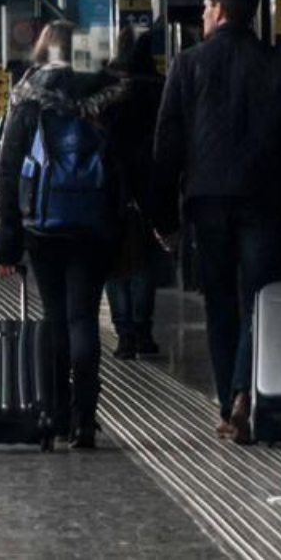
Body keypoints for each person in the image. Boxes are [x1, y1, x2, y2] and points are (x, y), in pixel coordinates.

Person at [153, 0, 281, 443]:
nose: (203, 13)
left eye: (206, 6)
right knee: (257, 300)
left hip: (206, 203)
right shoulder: (275, 64)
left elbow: (166, 147)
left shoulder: (186, 65)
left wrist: (164, 219)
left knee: (220, 302)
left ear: (221, 10)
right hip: (265, 202)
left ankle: (229, 402)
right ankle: (247, 391)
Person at [0, 21, 118, 449]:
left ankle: (57, 415)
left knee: (54, 318)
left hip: (42, 225)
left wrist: (4, 243)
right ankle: (86, 420)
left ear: (44, 50)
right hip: (94, 222)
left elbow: (8, 170)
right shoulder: (105, 91)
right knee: (84, 317)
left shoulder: (28, 95)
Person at [102, 29, 165, 360]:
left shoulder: (107, 89)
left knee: (115, 264)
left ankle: (124, 333)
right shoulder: (158, 87)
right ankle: (142, 331)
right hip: (149, 186)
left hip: (110, 187)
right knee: (143, 263)